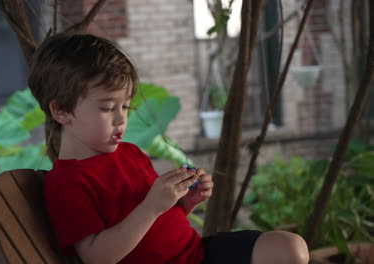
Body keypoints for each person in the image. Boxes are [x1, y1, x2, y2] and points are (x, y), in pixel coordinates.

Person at [28, 33, 310, 264]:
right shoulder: (66, 182)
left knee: (289, 248)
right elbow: (96, 257)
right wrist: (151, 208)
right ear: (62, 111)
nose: (120, 118)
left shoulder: (130, 153)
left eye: (125, 106)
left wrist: (183, 203)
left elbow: (155, 227)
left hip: (197, 254)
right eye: (106, 108)